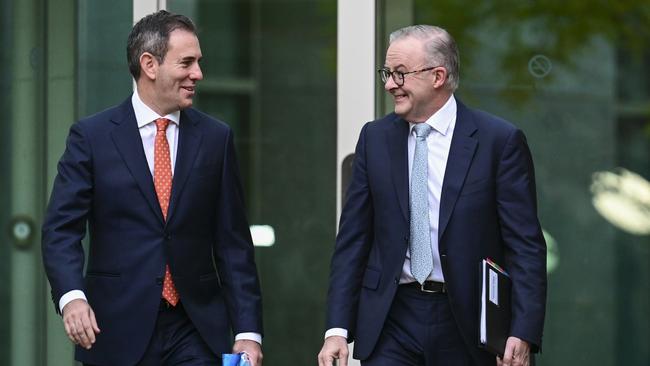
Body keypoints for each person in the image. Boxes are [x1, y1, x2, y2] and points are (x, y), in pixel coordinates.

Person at [42, 10, 263, 366]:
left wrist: (248, 333)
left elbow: (233, 243)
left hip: (196, 328)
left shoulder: (215, 138)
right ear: (149, 64)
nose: (198, 74)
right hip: (115, 328)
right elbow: (60, 230)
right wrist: (72, 297)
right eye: (187, 63)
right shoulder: (92, 137)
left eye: (198, 62)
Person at [318, 25, 546, 366]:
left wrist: (522, 330)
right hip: (392, 317)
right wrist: (336, 328)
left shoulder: (498, 141)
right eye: (387, 73)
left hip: (467, 322)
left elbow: (524, 245)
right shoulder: (374, 139)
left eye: (399, 74)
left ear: (437, 75)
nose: (389, 84)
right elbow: (353, 241)